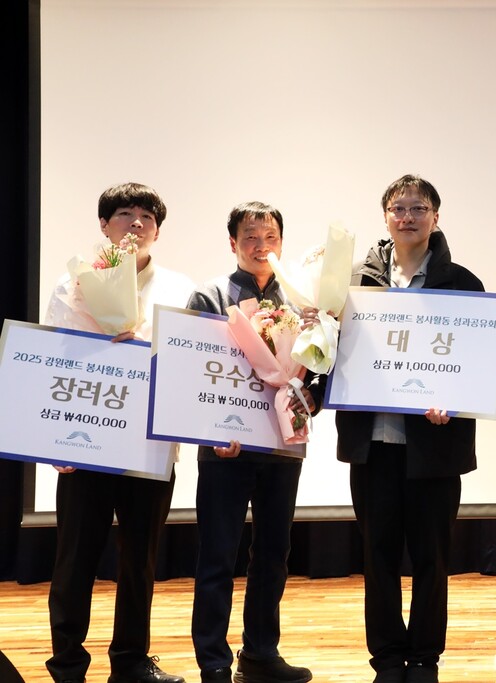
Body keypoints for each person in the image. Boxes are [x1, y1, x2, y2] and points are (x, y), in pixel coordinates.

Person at [335, 175, 483, 683]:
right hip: (372, 444)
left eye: (419, 208)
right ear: (385, 217)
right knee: (376, 556)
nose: (408, 217)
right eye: (398, 208)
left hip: (434, 447)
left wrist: (455, 401)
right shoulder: (353, 282)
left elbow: (478, 363)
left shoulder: (463, 283)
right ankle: (387, 657)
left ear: (435, 218)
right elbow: (333, 352)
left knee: (431, 558)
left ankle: (424, 657)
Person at [43, 183, 193, 683]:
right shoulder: (75, 284)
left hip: (149, 444)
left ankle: (130, 661)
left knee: (140, 561)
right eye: (126, 214)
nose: (137, 223)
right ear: (104, 226)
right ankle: (68, 664)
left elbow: (188, 362)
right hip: (86, 443)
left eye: (147, 216)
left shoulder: (179, 288)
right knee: (75, 559)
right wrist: (54, 439)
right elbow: (57, 361)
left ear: (158, 231)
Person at [187, 201, 322, 683]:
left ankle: (261, 654)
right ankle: (214, 663)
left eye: (270, 237)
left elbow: (318, 366)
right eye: (250, 236)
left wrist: (310, 398)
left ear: (281, 242)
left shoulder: (301, 301)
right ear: (233, 243)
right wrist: (212, 430)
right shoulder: (210, 296)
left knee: (272, 553)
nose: (261, 246)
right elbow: (194, 369)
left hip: (282, 444)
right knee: (218, 554)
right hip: (225, 448)